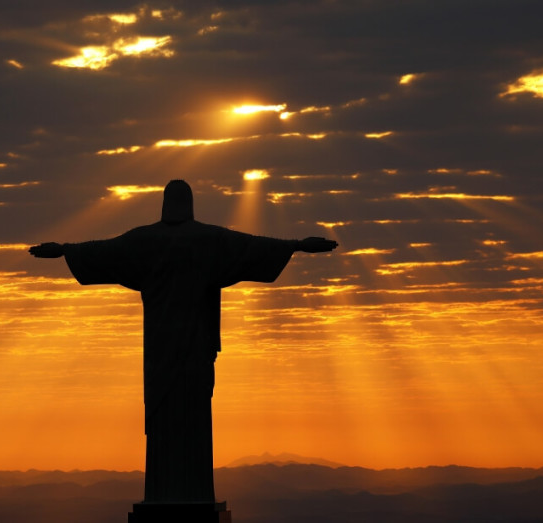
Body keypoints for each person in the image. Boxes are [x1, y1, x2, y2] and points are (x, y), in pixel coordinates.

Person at [30, 180, 337, 503]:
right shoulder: (208, 239)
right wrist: (298, 244)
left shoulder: (144, 241)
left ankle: (166, 494)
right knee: (192, 418)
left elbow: (103, 250)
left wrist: (64, 249)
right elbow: (251, 246)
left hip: (160, 349)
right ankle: (192, 493)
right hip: (194, 346)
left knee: (167, 417)